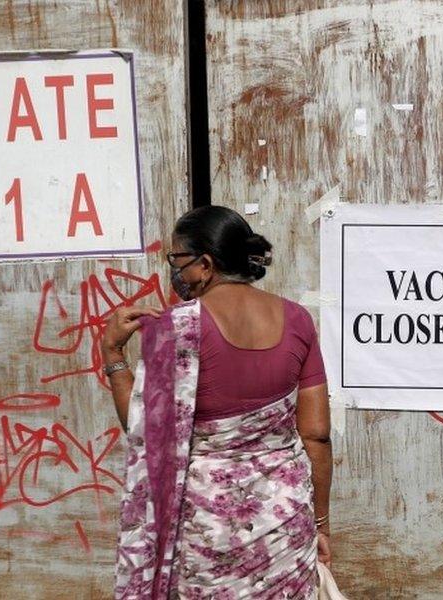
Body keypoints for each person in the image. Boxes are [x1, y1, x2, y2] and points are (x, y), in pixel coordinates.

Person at [102, 205, 333, 598]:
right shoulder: (298, 320)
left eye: (177, 259)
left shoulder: (173, 328)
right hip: (285, 518)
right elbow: (317, 435)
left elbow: (146, 431)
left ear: (205, 264)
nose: (174, 270)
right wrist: (321, 523)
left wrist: (112, 354)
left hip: (209, 527)